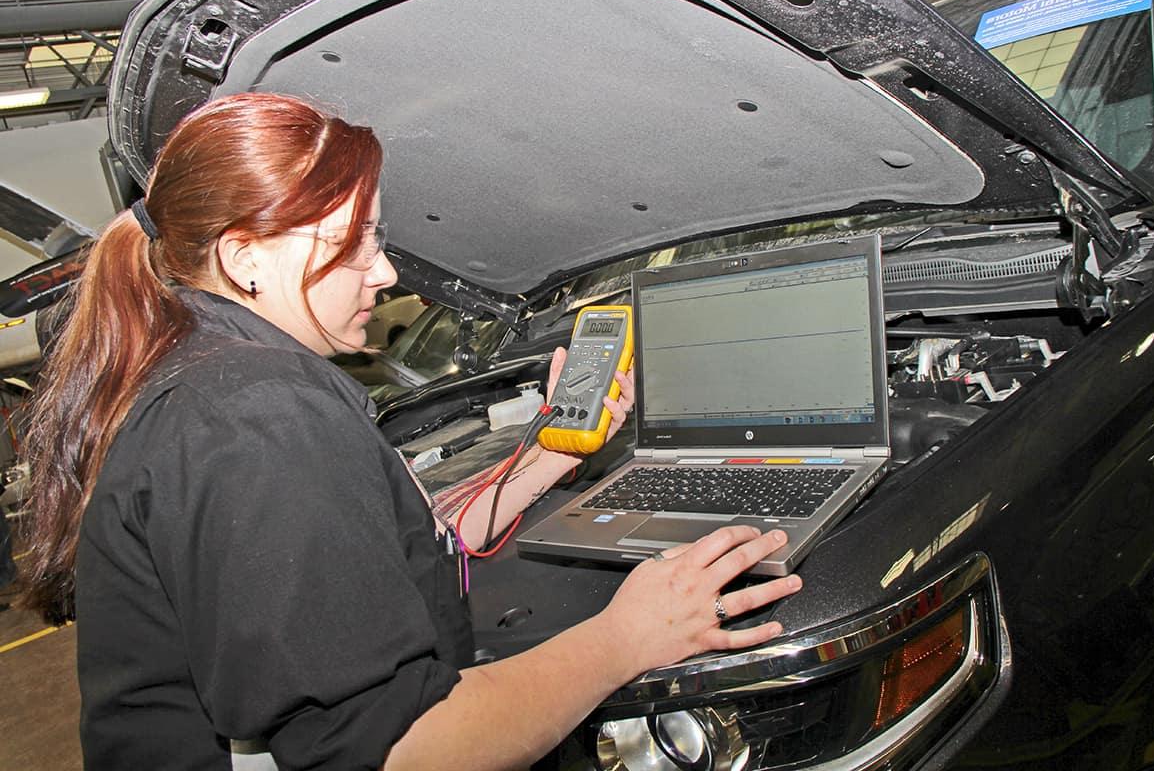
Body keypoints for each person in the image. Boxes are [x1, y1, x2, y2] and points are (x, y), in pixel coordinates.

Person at [17, 92, 801, 770]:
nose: (386, 271)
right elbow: (399, 747)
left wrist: (550, 457)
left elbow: (389, 552)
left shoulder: (211, 371)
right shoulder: (256, 414)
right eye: (352, 240)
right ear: (244, 256)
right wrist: (627, 637)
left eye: (379, 236)